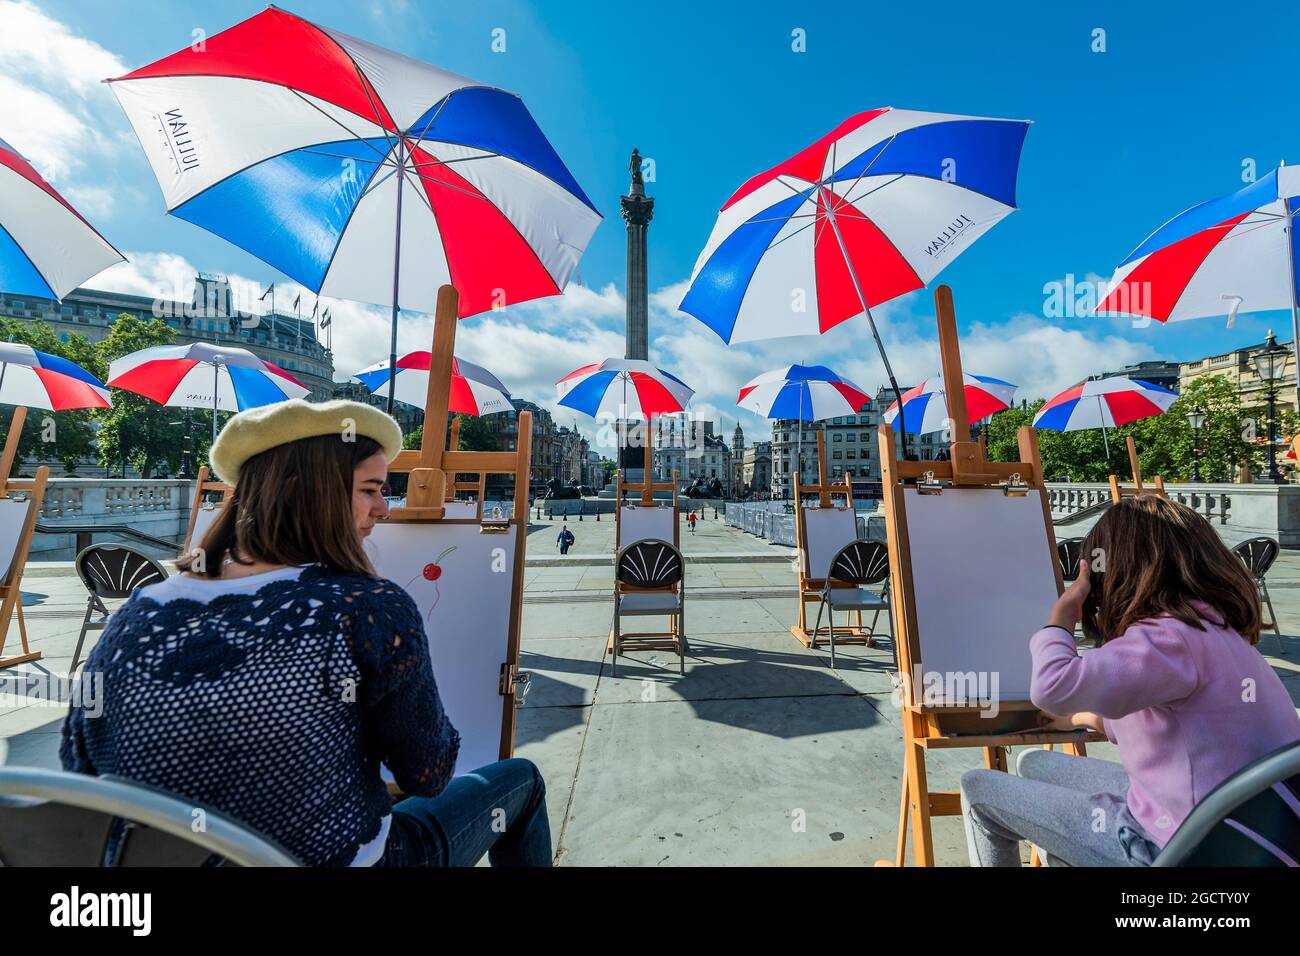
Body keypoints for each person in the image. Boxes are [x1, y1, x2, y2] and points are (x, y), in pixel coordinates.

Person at [60, 399, 551, 868]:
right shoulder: (367, 608)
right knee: (519, 780)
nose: (384, 508)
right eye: (370, 489)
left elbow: (79, 768)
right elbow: (429, 773)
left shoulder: (139, 612)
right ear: (308, 492)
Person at [960, 495, 1300, 867]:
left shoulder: (1167, 639)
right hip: (1240, 830)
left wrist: (1061, 617)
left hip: (1181, 846)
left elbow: (1052, 687)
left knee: (979, 791)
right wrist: (1081, 718)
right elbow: (1167, 723)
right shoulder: (1212, 628)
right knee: (1035, 765)